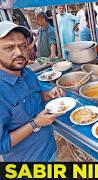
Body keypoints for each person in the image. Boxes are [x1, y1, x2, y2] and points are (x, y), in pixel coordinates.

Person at [0, 21, 65, 162]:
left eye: (23, 46)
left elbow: (33, 98)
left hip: (49, 149)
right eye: (9, 47)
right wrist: (35, 123)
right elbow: (2, 144)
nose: (19, 52)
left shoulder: (27, 73)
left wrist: (48, 94)